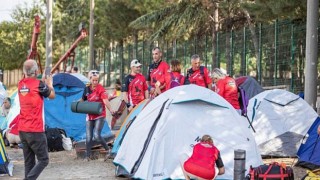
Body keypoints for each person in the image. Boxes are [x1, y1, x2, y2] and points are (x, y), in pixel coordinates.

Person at [18, 59, 55, 180]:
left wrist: (43, 81)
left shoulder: (20, 84)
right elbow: (52, 95)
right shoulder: (40, 85)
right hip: (35, 130)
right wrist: (50, 84)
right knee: (44, 160)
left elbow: (33, 86)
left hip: (23, 129)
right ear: (36, 71)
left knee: (29, 163)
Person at [79, 70, 115, 161]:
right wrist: (76, 105)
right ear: (90, 80)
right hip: (90, 115)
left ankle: (108, 150)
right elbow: (82, 99)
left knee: (97, 135)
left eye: (97, 80)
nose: (95, 82)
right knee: (88, 137)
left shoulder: (100, 88)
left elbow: (105, 100)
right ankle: (88, 156)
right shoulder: (86, 88)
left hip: (100, 115)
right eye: (93, 80)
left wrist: (111, 109)